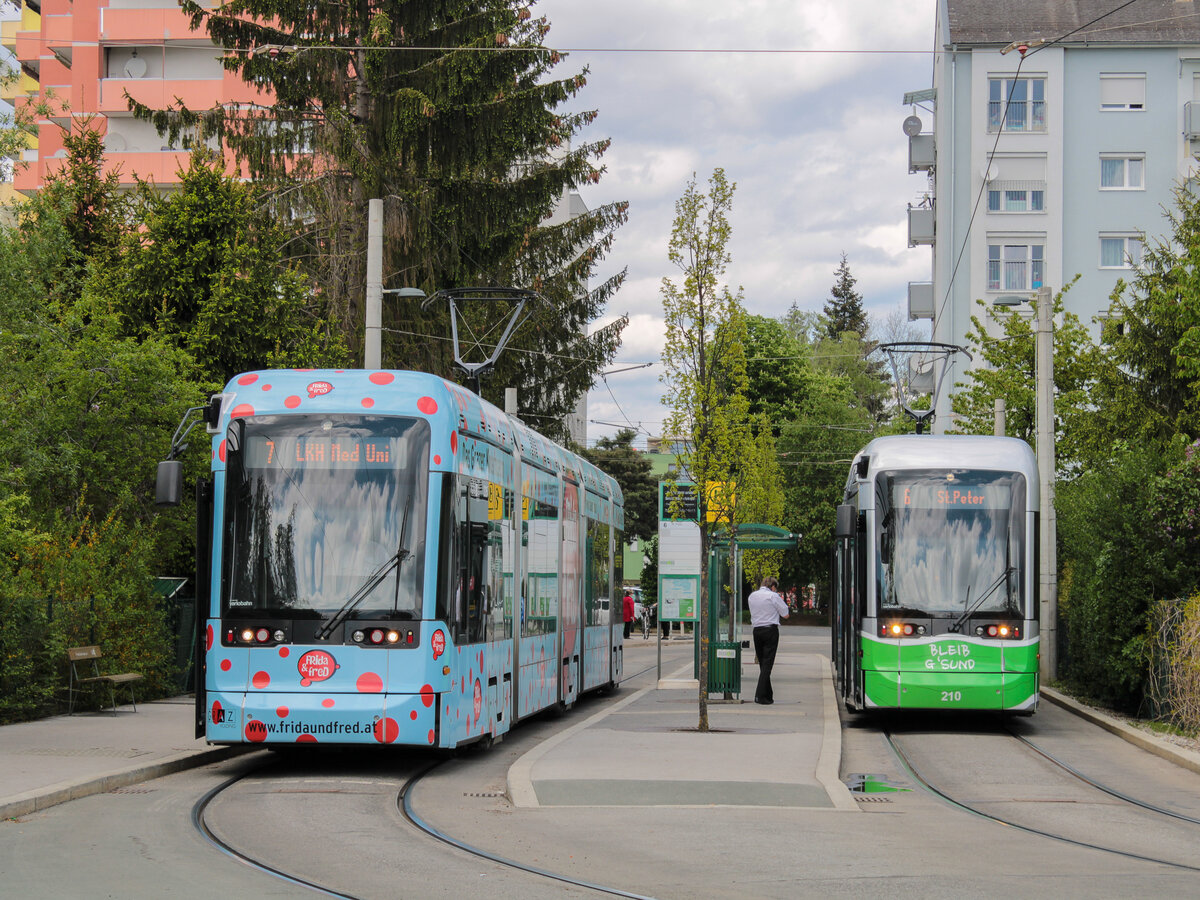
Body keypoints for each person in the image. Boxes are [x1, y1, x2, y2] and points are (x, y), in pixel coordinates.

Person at [747, 575, 789, 705]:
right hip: (770, 630)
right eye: (775, 588)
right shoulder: (773, 596)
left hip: (757, 631)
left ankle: (768, 695)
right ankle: (759, 696)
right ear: (773, 586)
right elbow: (786, 614)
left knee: (762, 663)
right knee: (767, 664)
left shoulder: (752, 596)